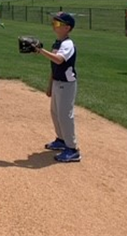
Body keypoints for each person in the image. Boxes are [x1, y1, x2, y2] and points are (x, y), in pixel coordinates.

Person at [36, 12, 81, 162]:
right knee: (55, 113)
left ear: (67, 28)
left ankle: (72, 149)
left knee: (65, 115)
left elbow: (59, 60)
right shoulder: (57, 43)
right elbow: (54, 66)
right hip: (57, 82)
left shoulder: (67, 44)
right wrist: (50, 85)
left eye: (58, 24)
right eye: (54, 23)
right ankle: (61, 140)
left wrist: (40, 50)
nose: (54, 26)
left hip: (67, 84)